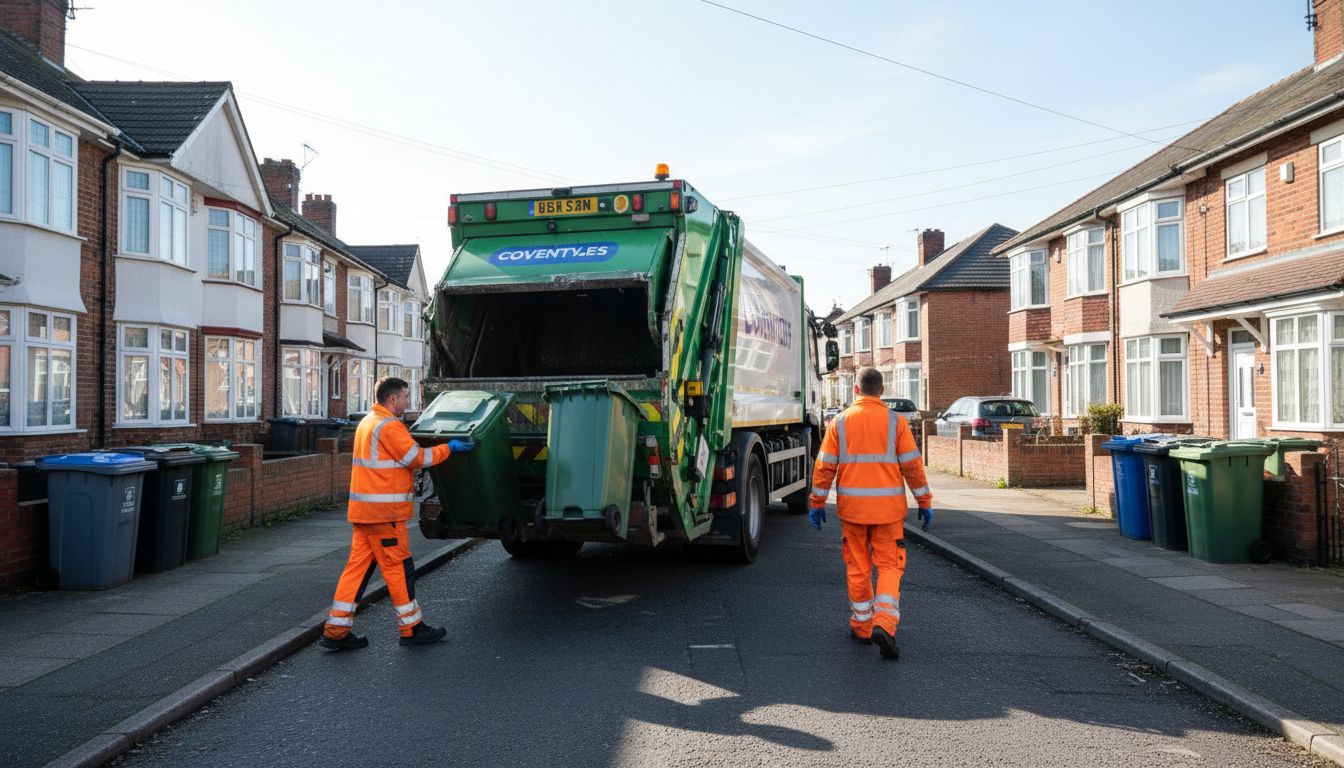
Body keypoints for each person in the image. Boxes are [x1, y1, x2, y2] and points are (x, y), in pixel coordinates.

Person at [321, 377, 476, 650]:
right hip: (385, 515)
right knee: (399, 570)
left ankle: (336, 630)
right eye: (405, 397)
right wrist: (449, 448)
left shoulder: (368, 422)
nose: (407, 403)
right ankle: (412, 628)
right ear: (392, 399)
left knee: (356, 571)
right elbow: (416, 459)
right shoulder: (390, 426)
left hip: (364, 513)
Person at [808, 366, 932, 660]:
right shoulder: (896, 423)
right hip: (888, 512)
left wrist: (816, 502)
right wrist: (924, 502)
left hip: (853, 511)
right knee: (889, 567)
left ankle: (863, 628)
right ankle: (884, 625)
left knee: (858, 567)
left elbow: (824, 467)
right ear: (882, 392)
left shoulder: (839, 423)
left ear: (856, 391)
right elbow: (912, 466)